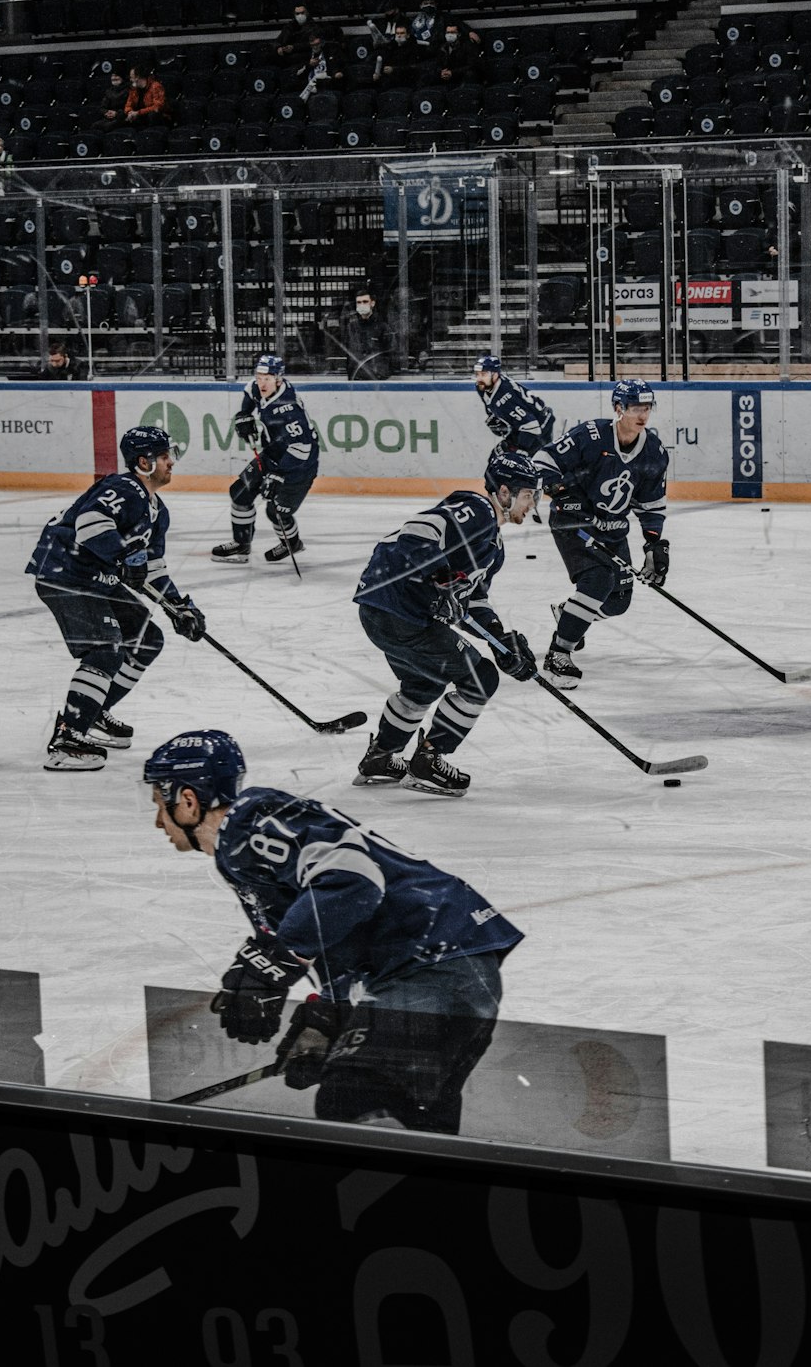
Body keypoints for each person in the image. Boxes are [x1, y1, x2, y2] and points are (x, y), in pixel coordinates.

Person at [142, 729, 523, 1133]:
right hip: (441, 968)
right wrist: (328, 1015)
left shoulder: (250, 820)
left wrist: (277, 962)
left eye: (159, 805)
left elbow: (353, 882)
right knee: (417, 1119)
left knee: (353, 1097)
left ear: (187, 800)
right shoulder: (240, 854)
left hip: (435, 962)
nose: (157, 821)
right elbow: (334, 932)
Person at [353, 449, 539, 797]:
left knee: (422, 684)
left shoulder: (493, 549)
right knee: (480, 680)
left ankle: (380, 758)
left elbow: (472, 601)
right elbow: (418, 530)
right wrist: (439, 573)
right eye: (527, 495)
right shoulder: (480, 510)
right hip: (399, 609)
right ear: (504, 493)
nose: (531, 504)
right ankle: (429, 761)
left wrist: (501, 640)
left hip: (385, 612)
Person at [25, 426, 205, 771]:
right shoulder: (124, 488)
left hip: (96, 579)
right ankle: (67, 739)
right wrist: (124, 556)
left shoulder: (157, 511)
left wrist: (178, 606)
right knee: (105, 649)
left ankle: (93, 713)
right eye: (165, 456)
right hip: (66, 573)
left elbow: (151, 568)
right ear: (144, 462)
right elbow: (91, 524)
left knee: (147, 638)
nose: (171, 462)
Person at [532, 379, 670, 689]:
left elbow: (650, 504)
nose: (643, 414)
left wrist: (654, 544)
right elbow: (543, 460)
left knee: (618, 600)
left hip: (613, 529)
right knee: (599, 579)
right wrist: (559, 490)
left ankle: (569, 616)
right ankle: (559, 653)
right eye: (636, 407)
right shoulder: (591, 435)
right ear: (619, 408)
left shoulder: (653, 451)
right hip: (574, 523)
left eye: (647, 408)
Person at [211, 353, 319, 566]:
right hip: (272, 455)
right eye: (259, 377)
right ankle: (241, 544)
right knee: (240, 493)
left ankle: (292, 543)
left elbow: (302, 447)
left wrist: (278, 475)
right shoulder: (257, 386)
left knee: (276, 512)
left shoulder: (289, 408)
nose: (262, 383)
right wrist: (244, 416)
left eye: (267, 378)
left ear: (278, 379)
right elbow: (250, 394)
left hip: (299, 467)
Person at [473, 353, 555, 453]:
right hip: (522, 426)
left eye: (484, 374)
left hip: (540, 427)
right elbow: (491, 407)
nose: (479, 378)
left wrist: (521, 451)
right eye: (477, 374)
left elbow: (532, 426)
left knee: (522, 463)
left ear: (495, 374)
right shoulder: (482, 386)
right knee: (497, 455)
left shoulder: (505, 396)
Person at [338, 287, 395, 380]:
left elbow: (390, 353)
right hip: (356, 379)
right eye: (359, 302)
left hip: (376, 381)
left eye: (365, 301)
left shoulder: (382, 327)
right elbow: (347, 352)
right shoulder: (351, 327)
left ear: (372, 303)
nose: (362, 305)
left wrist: (381, 374)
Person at [274, 3, 314, 67]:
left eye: (302, 13)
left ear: (307, 13)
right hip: (287, 56)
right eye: (297, 14)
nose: (300, 15)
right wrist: (278, 48)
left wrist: (294, 47)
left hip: (304, 57)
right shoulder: (289, 27)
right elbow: (278, 41)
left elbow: (312, 44)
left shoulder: (313, 27)